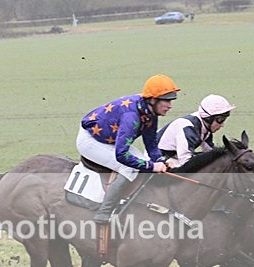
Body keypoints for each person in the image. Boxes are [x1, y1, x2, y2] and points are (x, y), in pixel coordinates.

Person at [76, 74, 178, 223]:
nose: (170, 106)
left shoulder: (150, 111)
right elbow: (121, 155)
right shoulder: (131, 117)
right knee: (129, 168)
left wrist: (160, 161)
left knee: (142, 161)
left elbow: (151, 144)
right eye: (167, 100)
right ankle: (104, 212)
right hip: (90, 140)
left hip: (108, 139)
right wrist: (152, 166)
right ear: (153, 100)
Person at [156, 94, 236, 167]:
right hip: (160, 159)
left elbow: (210, 152)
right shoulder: (189, 128)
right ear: (209, 118)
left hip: (176, 157)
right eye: (220, 120)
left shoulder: (205, 126)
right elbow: (185, 161)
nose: (222, 125)